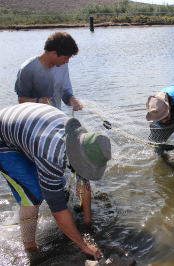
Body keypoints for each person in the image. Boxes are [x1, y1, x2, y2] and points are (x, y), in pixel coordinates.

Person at [0, 103, 111, 260]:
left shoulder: (82, 141)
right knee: (33, 195)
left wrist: (88, 222)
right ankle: (30, 248)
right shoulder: (51, 156)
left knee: (57, 182)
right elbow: (58, 211)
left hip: (30, 131)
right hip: (4, 142)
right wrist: (84, 246)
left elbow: (83, 181)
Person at [15, 31, 82, 111]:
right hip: (35, 118)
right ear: (54, 53)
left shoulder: (62, 65)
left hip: (56, 116)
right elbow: (21, 100)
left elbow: (65, 91)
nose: (67, 62)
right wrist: (38, 101)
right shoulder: (27, 69)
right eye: (66, 58)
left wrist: (72, 100)